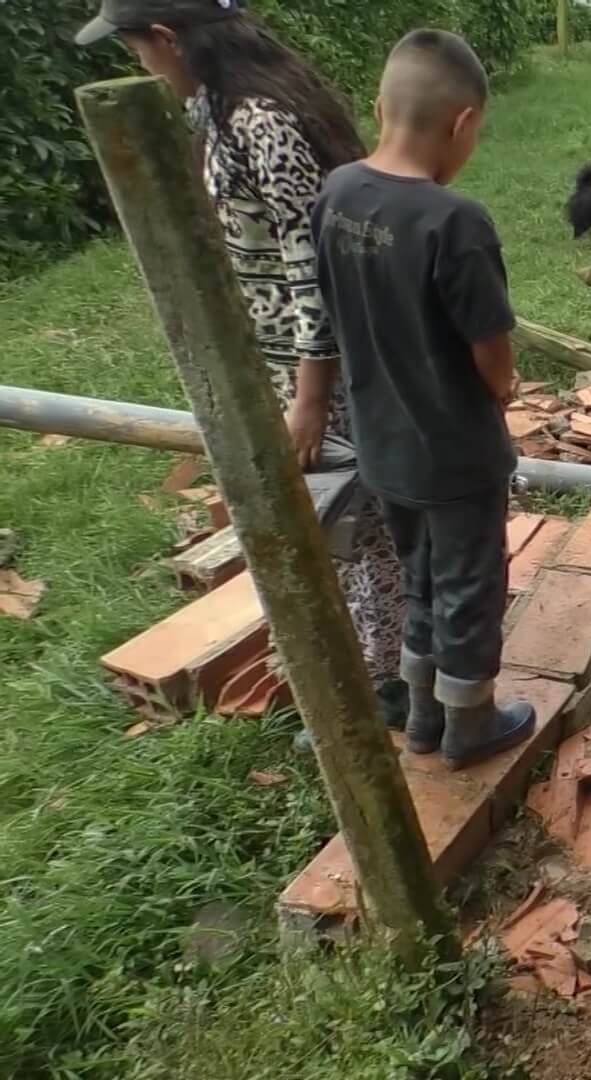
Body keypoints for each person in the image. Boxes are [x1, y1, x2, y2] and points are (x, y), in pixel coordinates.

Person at [76, 0, 408, 688]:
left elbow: (311, 262)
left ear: (167, 39)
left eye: (137, 49)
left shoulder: (263, 120)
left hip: (320, 362)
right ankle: (370, 661)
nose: (137, 64)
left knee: (355, 520)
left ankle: (387, 680)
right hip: (284, 359)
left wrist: (312, 396)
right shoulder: (219, 106)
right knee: (341, 523)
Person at [310, 29, 532, 768]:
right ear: (463, 121)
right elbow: (491, 352)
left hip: (384, 447)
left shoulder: (337, 193)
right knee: (470, 581)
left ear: (380, 106)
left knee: (422, 577)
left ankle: (427, 718)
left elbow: (330, 314)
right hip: (457, 451)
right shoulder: (453, 221)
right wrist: (503, 391)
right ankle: (471, 722)